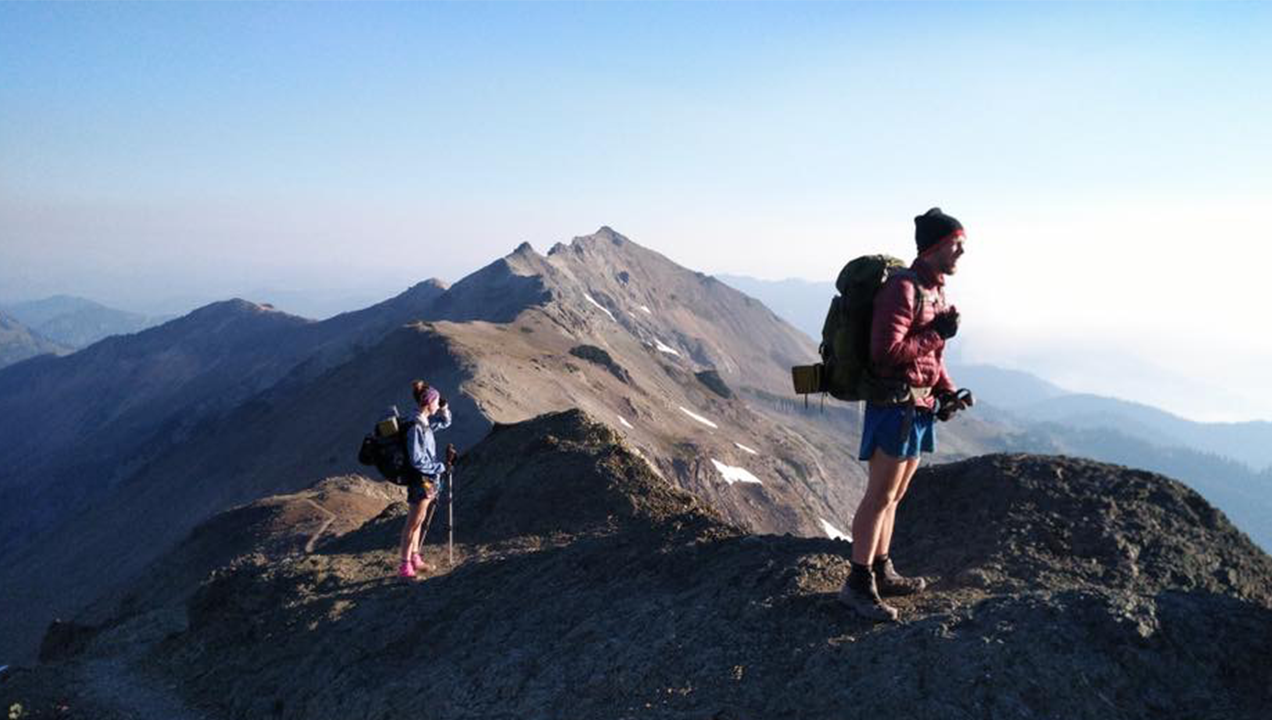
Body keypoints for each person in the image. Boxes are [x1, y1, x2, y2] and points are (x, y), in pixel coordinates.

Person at [838, 207, 975, 621]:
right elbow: (886, 353)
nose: (962, 253)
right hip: (893, 404)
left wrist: (947, 392)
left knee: (895, 496)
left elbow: (931, 354)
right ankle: (857, 583)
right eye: (956, 245)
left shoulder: (935, 291)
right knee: (879, 495)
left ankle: (882, 568)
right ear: (935, 245)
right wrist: (938, 333)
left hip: (918, 407)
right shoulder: (903, 289)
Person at [397, 379, 453, 579]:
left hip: (427, 479)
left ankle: (415, 558)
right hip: (420, 479)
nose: (438, 404)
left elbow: (445, 422)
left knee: (418, 521)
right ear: (428, 402)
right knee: (412, 523)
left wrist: (444, 409)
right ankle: (404, 566)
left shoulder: (424, 422)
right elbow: (417, 460)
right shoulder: (416, 427)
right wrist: (440, 467)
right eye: (436, 401)